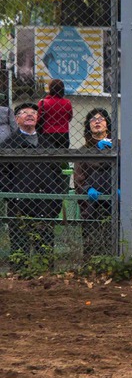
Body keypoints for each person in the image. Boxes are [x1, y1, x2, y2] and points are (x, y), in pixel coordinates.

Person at [0, 103, 65, 270]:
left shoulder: (47, 144)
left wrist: (56, 198)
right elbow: (3, 176)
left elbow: (58, 174)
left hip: (46, 205)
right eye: (24, 112)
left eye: (33, 112)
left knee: (46, 252)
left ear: (37, 118)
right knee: (19, 251)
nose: (29, 115)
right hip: (19, 206)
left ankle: (47, 283)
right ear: (16, 119)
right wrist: (13, 196)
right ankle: (20, 280)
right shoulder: (9, 145)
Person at [74, 108, 114, 260]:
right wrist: (87, 189)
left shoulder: (118, 146)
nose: (97, 121)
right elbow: (78, 177)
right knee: (92, 244)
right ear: (88, 125)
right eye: (93, 119)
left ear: (108, 124)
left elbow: (126, 168)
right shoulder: (83, 150)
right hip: (91, 206)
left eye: (101, 118)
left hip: (115, 203)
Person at [37, 78, 73, 148]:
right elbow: (69, 117)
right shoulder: (67, 102)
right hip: (63, 133)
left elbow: (38, 118)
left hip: (47, 133)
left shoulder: (43, 103)